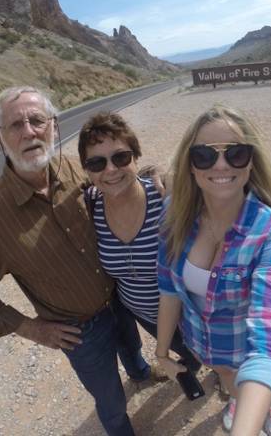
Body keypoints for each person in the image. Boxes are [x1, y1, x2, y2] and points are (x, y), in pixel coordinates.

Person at [0, 86, 149, 436]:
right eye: (15, 125)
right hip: (79, 332)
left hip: (119, 300)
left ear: (53, 127)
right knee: (110, 399)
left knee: (133, 348)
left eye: (37, 120)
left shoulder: (77, 170)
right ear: (0, 138)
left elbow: (122, 184)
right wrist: (30, 328)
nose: (29, 131)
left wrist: (157, 175)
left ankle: (141, 373)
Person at [155, 104, 271, 436]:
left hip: (247, 352)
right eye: (204, 156)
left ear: (251, 161)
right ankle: (236, 398)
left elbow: (267, 325)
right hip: (204, 347)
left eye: (236, 154)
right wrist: (161, 353)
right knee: (228, 381)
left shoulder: (270, 232)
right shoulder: (175, 215)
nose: (221, 165)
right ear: (190, 166)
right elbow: (168, 290)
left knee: (245, 384)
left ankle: (265, 406)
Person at [77, 112, 201, 373]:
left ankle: (222, 376)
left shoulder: (166, 197)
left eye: (120, 157)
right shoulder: (89, 207)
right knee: (184, 351)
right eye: (97, 163)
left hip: (192, 313)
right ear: (87, 170)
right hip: (144, 314)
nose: (110, 170)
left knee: (208, 351)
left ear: (135, 156)